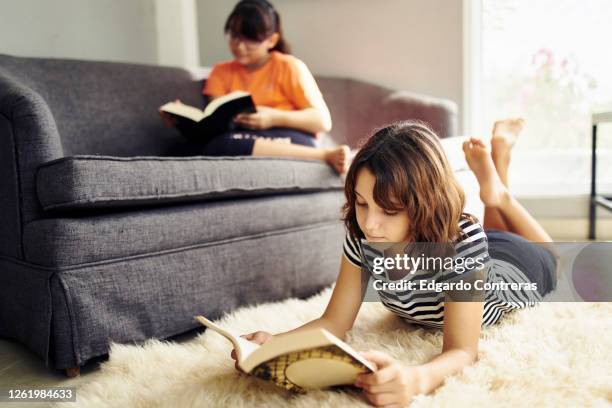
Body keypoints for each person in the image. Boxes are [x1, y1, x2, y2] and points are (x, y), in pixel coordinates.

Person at [231, 119, 559, 406]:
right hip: (480, 246)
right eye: (361, 203)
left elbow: (462, 351)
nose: (370, 223)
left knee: (555, 260)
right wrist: (276, 341)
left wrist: (415, 379)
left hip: (513, 267)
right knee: (491, 233)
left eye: (389, 210)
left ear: (424, 204)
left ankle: (498, 193)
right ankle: (494, 187)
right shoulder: (364, 235)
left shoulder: (462, 245)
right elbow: (333, 323)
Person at [160, 0, 349, 173]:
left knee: (226, 145)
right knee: (176, 149)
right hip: (240, 135)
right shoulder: (220, 72)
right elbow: (215, 120)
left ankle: (325, 155)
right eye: (234, 36)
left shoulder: (289, 67)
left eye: (250, 39)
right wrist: (182, 120)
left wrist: (273, 118)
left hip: (291, 137)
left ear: (272, 40)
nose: (240, 46)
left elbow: (322, 121)